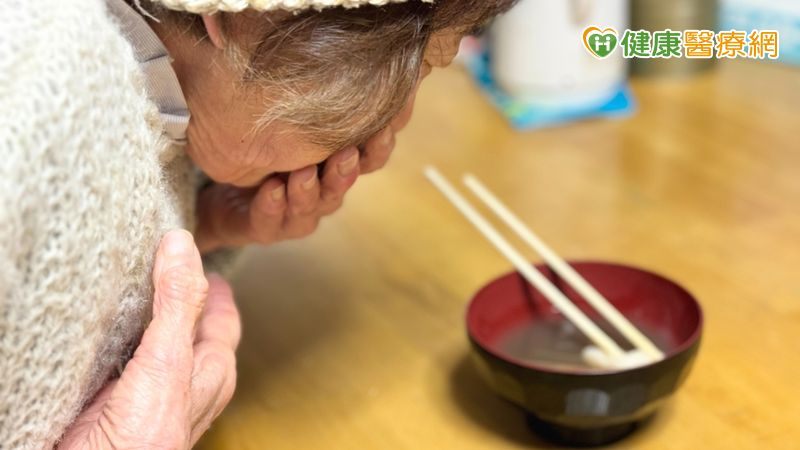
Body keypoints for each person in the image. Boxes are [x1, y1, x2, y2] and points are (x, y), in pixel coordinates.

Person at [0, 0, 515, 447]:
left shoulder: (147, 87)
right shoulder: (35, 94)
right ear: (233, 13)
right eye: (416, 67)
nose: (394, 126)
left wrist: (204, 225)